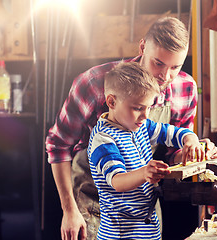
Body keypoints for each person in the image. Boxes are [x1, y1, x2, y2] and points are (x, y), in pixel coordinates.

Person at [46, 16, 217, 240]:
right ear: (142, 47)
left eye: (175, 67)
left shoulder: (184, 88)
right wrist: (69, 210)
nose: (164, 77)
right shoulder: (94, 83)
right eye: (158, 63)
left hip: (143, 210)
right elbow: (58, 146)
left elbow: (172, 155)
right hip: (95, 206)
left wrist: (193, 151)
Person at [87, 62, 205, 239]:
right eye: (137, 108)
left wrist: (191, 140)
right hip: (122, 233)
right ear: (111, 101)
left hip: (147, 228)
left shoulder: (140, 126)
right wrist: (144, 173)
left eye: (149, 107)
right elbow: (117, 181)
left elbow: (173, 133)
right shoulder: (103, 139)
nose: (145, 115)